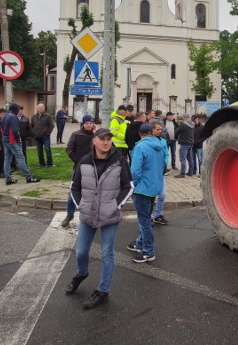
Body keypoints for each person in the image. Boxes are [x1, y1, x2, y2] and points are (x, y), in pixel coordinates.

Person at [65, 127, 133, 310]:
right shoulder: (84, 161)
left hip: (109, 216)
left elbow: (128, 187)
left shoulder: (119, 161)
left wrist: (114, 206)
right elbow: (74, 187)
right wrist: (81, 205)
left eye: (108, 139)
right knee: (81, 252)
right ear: (94, 141)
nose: (106, 142)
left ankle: (103, 291)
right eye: (102, 139)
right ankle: (81, 274)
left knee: (107, 253)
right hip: (88, 214)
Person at [127, 123, 165, 263]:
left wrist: (132, 186)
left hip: (142, 189)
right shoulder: (159, 146)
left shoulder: (140, 147)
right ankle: (140, 242)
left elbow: (135, 171)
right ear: (151, 132)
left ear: (139, 134)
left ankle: (148, 251)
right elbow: (163, 166)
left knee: (144, 221)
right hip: (154, 186)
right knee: (146, 217)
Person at [62, 114, 95, 227]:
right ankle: (69, 214)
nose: (89, 125)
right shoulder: (76, 134)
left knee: (92, 192)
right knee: (73, 192)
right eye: (87, 123)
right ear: (83, 124)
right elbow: (69, 149)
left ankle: (90, 215)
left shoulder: (96, 136)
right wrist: (77, 160)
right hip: (78, 168)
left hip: (93, 168)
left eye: (91, 123)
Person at [1, 102, 41, 185]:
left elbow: (1, 128)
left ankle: (8, 179)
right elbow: (15, 130)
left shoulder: (4, 116)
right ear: (15, 110)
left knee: (7, 159)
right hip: (12, 140)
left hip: (5, 139)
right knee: (20, 158)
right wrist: (18, 138)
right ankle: (28, 177)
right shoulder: (13, 117)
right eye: (18, 109)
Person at [150, 120, 170, 225]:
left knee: (162, 195)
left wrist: (165, 164)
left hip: (161, 172)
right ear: (151, 130)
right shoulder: (148, 141)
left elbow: (166, 154)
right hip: (151, 173)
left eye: (160, 129)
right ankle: (149, 217)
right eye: (157, 129)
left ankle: (158, 215)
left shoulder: (163, 141)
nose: (159, 131)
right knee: (151, 196)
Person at [31, 103, 55, 167]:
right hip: (37, 137)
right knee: (39, 151)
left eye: (42, 107)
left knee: (47, 149)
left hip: (45, 137)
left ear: (44, 108)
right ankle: (41, 163)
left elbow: (51, 125)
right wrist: (33, 133)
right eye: (39, 107)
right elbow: (32, 126)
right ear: (37, 108)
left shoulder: (48, 116)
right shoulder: (34, 117)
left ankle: (50, 164)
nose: (40, 108)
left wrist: (47, 133)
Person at [175, 113, 195, 178]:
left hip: (184, 143)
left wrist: (176, 138)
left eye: (183, 118)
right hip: (191, 143)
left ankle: (182, 174)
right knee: (190, 158)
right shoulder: (193, 124)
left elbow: (177, 132)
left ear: (184, 118)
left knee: (183, 159)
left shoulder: (183, 124)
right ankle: (191, 172)